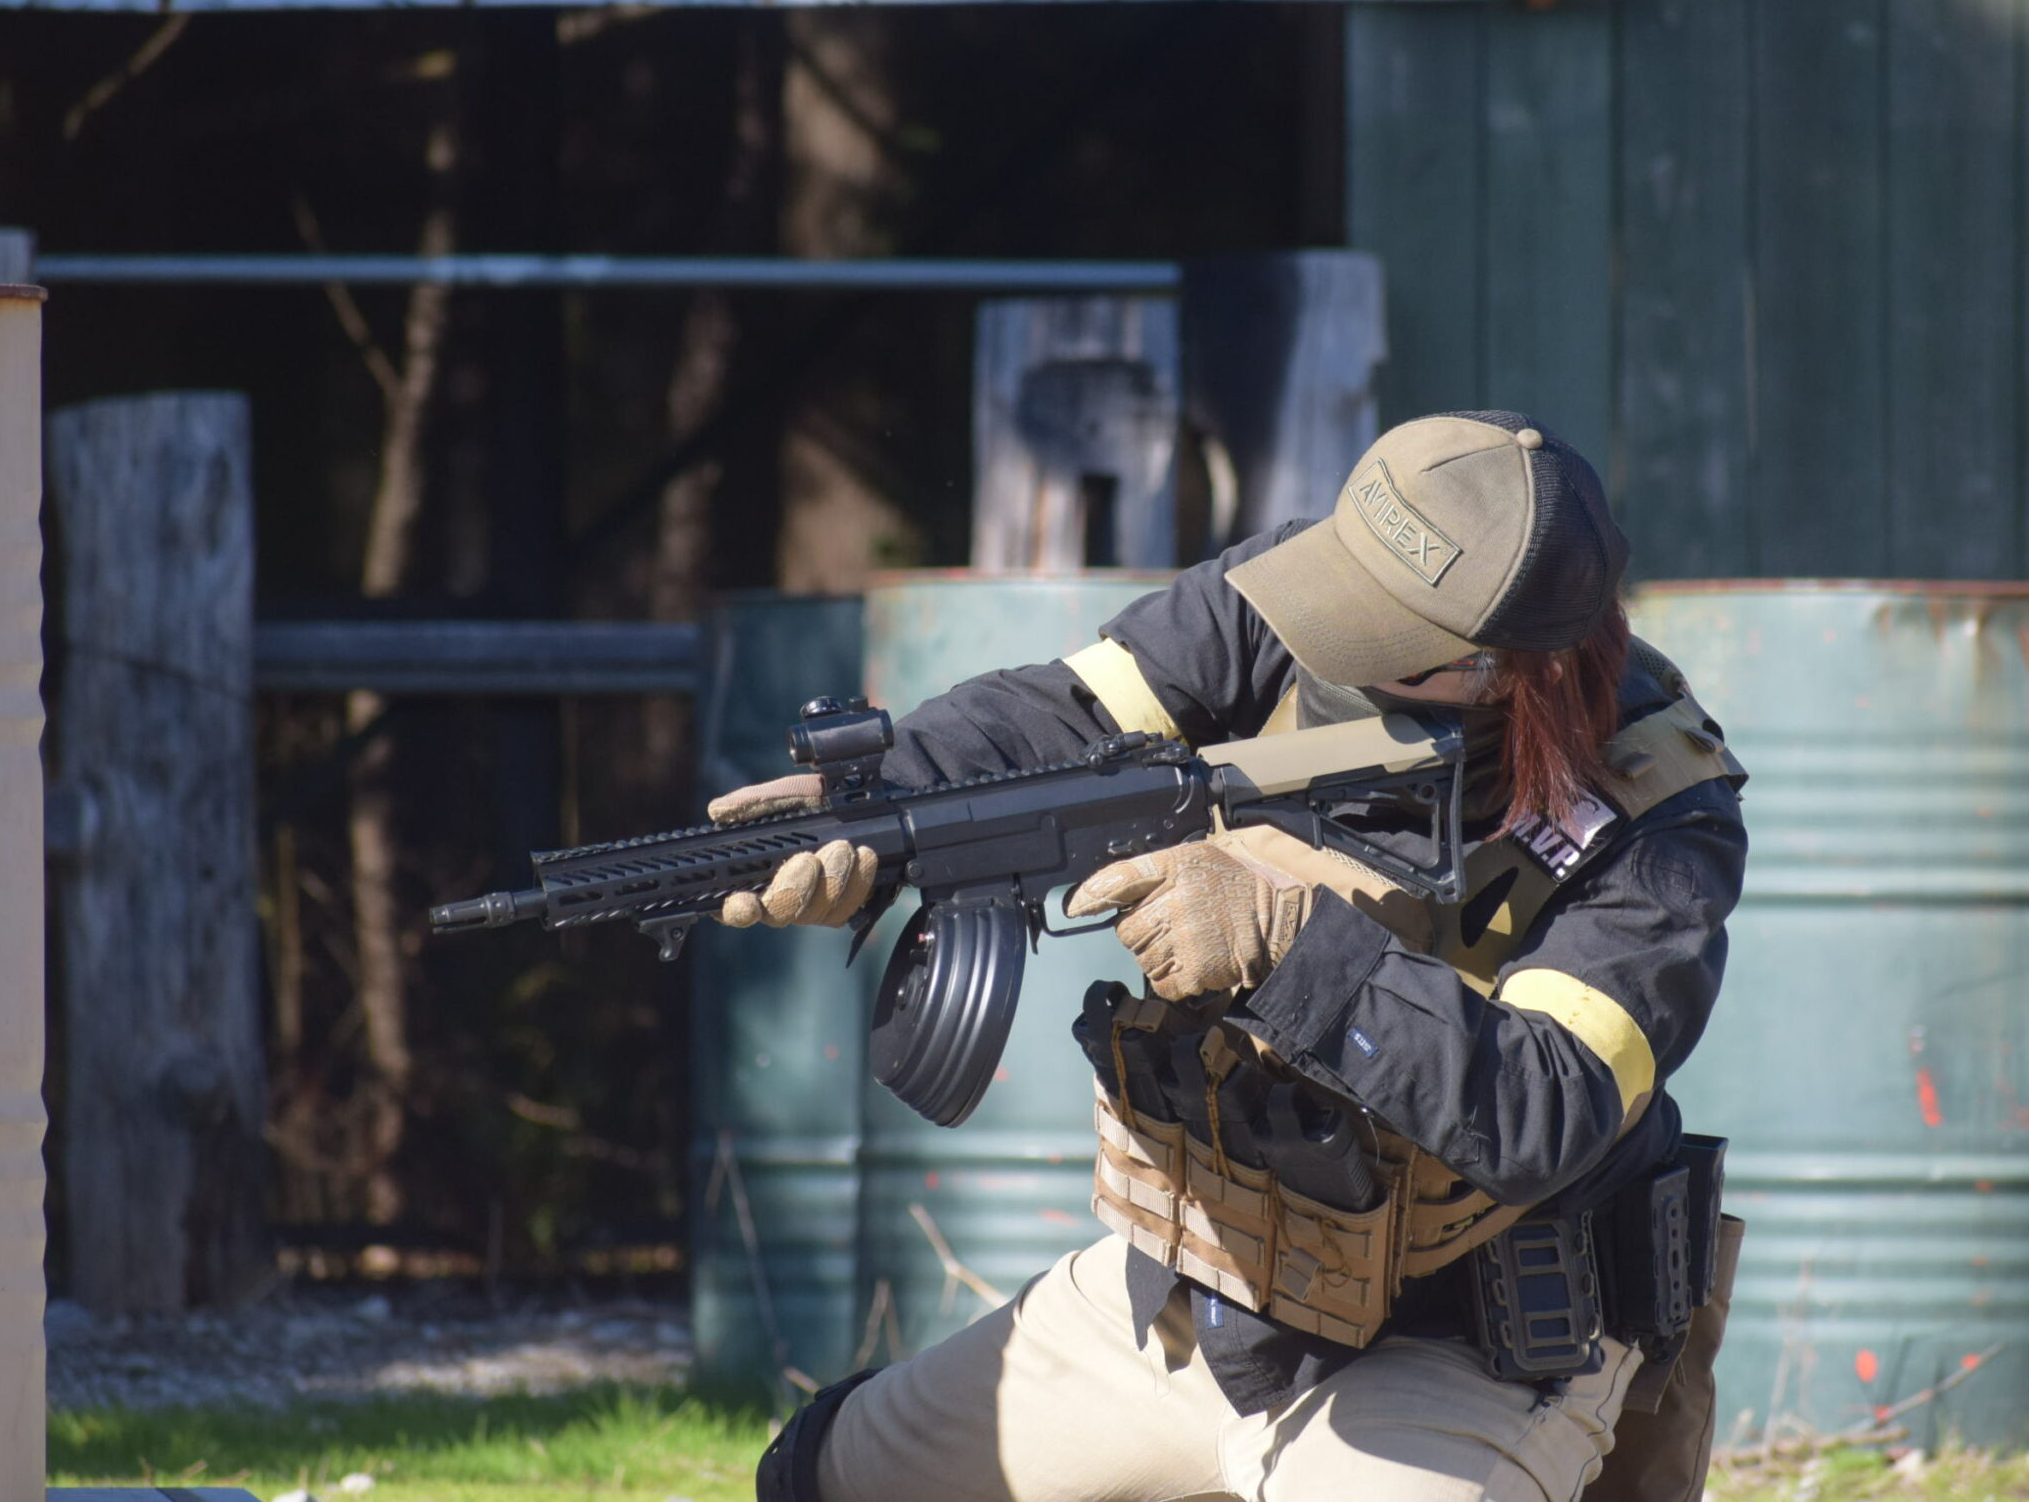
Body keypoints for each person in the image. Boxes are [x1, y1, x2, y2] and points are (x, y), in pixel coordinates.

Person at [718, 411, 1748, 1502]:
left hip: (1468, 1338)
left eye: (1376, 633)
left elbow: (1545, 1107)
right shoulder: (1301, 587)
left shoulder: (1659, 811)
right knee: (824, 1477)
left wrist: (1288, 943)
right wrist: (881, 809)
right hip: (1206, 1287)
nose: (1324, 638)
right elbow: (1061, 716)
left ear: (1501, 673)